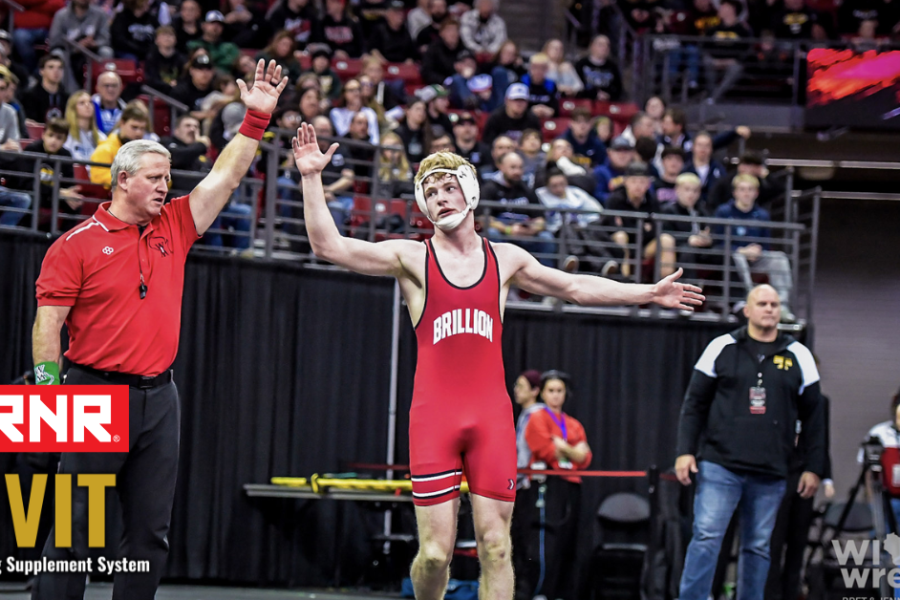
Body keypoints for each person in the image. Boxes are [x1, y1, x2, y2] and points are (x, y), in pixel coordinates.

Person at [295, 121, 702, 600]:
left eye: (448, 187)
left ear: (469, 191)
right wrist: (311, 177)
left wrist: (647, 292)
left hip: (490, 419)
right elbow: (329, 246)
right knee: (435, 554)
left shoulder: (506, 259)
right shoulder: (413, 258)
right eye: (431, 192)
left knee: (497, 547)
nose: (441, 198)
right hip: (434, 419)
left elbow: (574, 286)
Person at [30, 59, 288, 600]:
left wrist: (255, 120)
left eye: (168, 178)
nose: (165, 186)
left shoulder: (175, 222)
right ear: (122, 180)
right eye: (155, 178)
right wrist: (50, 397)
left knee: (151, 533)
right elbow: (47, 324)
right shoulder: (75, 245)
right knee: (76, 530)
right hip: (93, 393)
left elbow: (225, 176)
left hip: (159, 397)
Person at [674, 283, 825, 600]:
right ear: (747, 310)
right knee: (706, 537)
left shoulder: (799, 355)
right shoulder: (721, 347)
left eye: (774, 304)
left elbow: (815, 417)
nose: (769, 309)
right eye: (762, 303)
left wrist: (814, 467)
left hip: (771, 471)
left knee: (758, 547)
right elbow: (694, 404)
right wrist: (684, 451)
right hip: (720, 465)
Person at [518, 371, 592, 600]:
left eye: (560, 391)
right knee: (545, 542)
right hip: (547, 485)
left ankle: (561, 593)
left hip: (571, 485)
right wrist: (573, 451)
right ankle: (540, 592)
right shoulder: (538, 418)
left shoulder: (573, 423)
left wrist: (563, 447)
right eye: (551, 390)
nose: (556, 395)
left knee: (568, 541)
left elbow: (586, 458)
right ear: (542, 393)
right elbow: (546, 450)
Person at [714, 173, 796, 322]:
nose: (746, 193)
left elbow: (766, 243)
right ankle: (750, 302)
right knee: (737, 257)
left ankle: (782, 305)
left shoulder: (763, 215)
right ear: (735, 192)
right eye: (742, 189)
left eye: (750, 189)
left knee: (779, 258)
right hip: (732, 259)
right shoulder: (723, 212)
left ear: (756, 193)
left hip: (756, 259)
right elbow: (717, 242)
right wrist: (741, 250)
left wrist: (758, 251)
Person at [481, 151, 558, 267]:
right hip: (503, 233)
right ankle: (497, 272)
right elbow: (483, 218)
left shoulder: (526, 189)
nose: (517, 172)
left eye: (520, 168)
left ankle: (545, 275)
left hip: (525, 234)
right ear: (501, 167)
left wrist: (532, 230)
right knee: (492, 233)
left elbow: (540, 219)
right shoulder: (489, 188)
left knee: (546, 238)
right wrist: (508, 230)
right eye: (513, 167)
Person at [605, 161, 676, 278]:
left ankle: (666, 282)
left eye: (642, 182)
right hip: (621, 245)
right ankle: (623, 280)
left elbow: (658, 228)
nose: (638, 186)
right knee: (621, 236)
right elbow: (611, 227)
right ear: (625, 182)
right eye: (633, 181)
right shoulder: (615, 200)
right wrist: (643, 228)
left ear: (648, 184)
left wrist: (630, 226)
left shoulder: (652, 201)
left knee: (666, 240)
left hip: (645, 246)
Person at [12, 119, 83, 231]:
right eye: (51, 135)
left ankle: (63, 237)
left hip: (52, 195)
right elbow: (27, 183)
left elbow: (68, 184)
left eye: (59, 138)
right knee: (33, 200)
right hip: (31, 193)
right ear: (43, 135)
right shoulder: (32, 150)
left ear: (64, 140)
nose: (53, 141)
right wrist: (58, 191)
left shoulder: (66, 155)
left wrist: (69, 193)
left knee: (74, 203)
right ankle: (26, 236)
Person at [661, 173, 711, 280]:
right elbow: (666, 235)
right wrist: (689, 239)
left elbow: (708, 229)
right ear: (677, 190)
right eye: (687, 190)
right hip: (679, 248)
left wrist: (707, 238)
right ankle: (689, 287)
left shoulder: (701, 210)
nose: (691, 194)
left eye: (695, 191)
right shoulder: (669, 210)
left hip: (701, 248)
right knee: (687, 252)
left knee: (721, 251)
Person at [89, 105, 152, 188]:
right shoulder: (105, 149)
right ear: (122, 123)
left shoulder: (146, 152)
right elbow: (98, 178)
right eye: (134, 127)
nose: (139, 133)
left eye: (142, 128)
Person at [481, 83, 542, 147]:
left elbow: (538, 140)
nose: (519, 104)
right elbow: (488, 143)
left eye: (522, 100)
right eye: (515, 100)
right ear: (507, 100)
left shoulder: (532, 119)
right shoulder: (496, 118)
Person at [513, 369, 544, 490]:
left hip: (531, 479)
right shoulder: (525, 414)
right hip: (521, 478)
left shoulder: (538, 415)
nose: (516, 390)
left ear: (535, 390)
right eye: (516, 385)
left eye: (521, 386)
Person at [329, 79, 380, 144]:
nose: (356, 93)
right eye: (351, 90)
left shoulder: (370, 113)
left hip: (366, 146)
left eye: (358, 89)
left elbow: (375, 139)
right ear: (344, 93)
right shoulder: (336, 113)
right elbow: (343, 134)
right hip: (346, 146)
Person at [23, 55, 70, 124]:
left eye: (60, 68)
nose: (56, 71)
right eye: (51, 67)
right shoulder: (30, 96)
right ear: (41, 71)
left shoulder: (67, 97)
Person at [575, 34, 623, 101]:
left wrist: (608, 95)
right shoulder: (581, 64)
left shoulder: (613, 67)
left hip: (607, 103)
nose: (605, 48)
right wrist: (594, 94)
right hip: (585, 102)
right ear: (592, 46)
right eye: (601, 45)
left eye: (607, 45)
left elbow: (618, 89)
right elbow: (576, 87)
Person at [421, 18, 466, 85]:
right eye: (449, 30)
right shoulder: (433, 49)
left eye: (456, 30)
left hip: (462, 80)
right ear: (441, 33)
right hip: (441, 84)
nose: (453, 33)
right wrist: (445, 80)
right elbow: (426, 72)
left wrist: (470, 66)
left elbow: (473, 64)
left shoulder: (462, 46)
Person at [593, 135, 635, 204]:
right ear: (609, 153)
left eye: (626, 151)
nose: (622, 155)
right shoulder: (600, 172)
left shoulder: (637, 172)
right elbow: (597, 195)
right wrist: (621, 199)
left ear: (632, 154)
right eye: (618, 150)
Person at [145, 26, 187, 92]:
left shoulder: (182, 59)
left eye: (170, 35)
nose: (167, 37)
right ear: (156, 40)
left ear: (176, 40)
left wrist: (177, 84)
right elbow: (151, 79)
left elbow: (184, 78)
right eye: (163, 35)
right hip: (156, 92)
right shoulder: (152, 58)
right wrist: (168, 85)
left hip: (176, 92)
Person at [520, 53, 559, 118]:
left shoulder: (551, 85)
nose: (538, 71)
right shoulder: (522, 83)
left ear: (547, 69)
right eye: (535, 67)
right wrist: (530, 111)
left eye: (542, 68)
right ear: (530, 68)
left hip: (546, 118)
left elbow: (555, 108)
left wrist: (551, 111)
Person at [394, 100, 432, 166]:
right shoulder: (398, 133)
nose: (421, 112)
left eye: (424, 110)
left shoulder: (427, 132)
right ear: (407, 111)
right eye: (418, 109)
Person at [91, 71, 126, 136]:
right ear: (97, 88)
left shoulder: (127, 111)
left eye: (114, 85)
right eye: (106, 85)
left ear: (121, 88)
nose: (110, 89)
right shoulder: (88, 107)